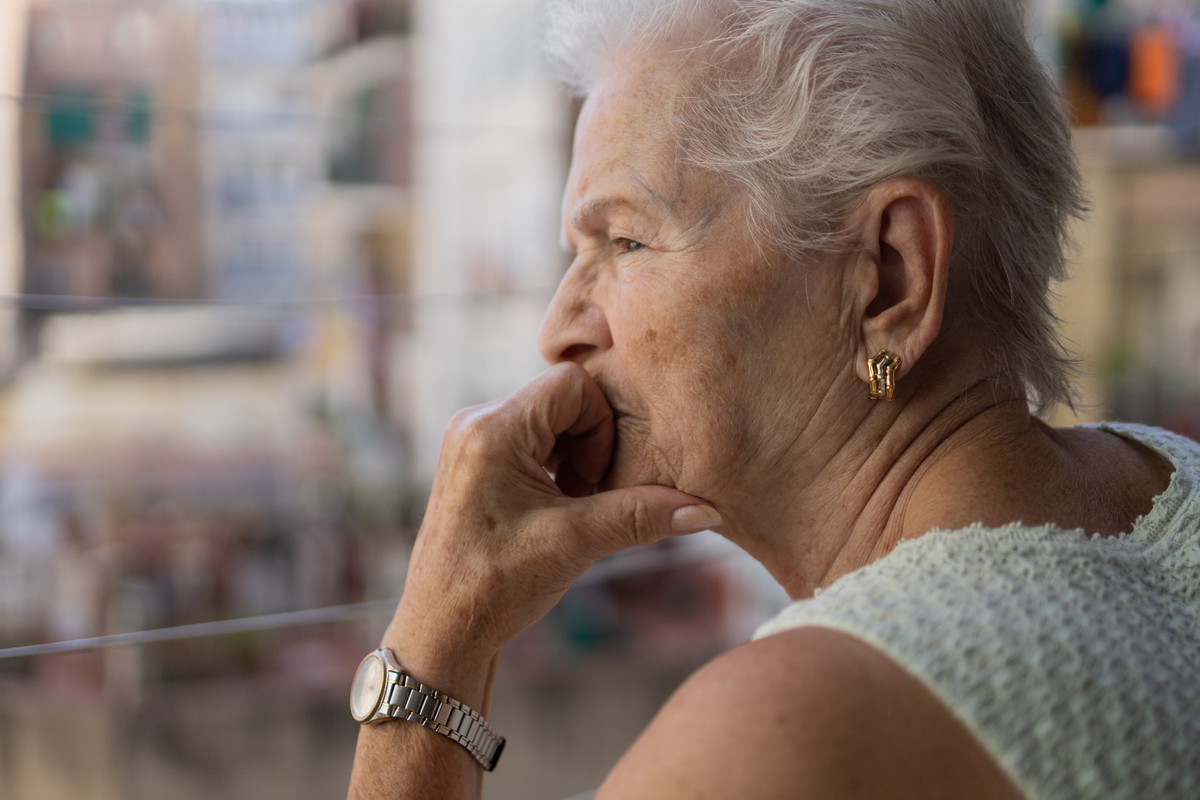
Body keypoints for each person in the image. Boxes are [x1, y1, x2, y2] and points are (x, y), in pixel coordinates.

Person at [347, 0, 1200, 797]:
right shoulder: (1173, 477)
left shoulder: (790, 725)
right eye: (579, 253)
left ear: (889, 279)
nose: (557, 331)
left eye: (627, 240)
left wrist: (435, 640)